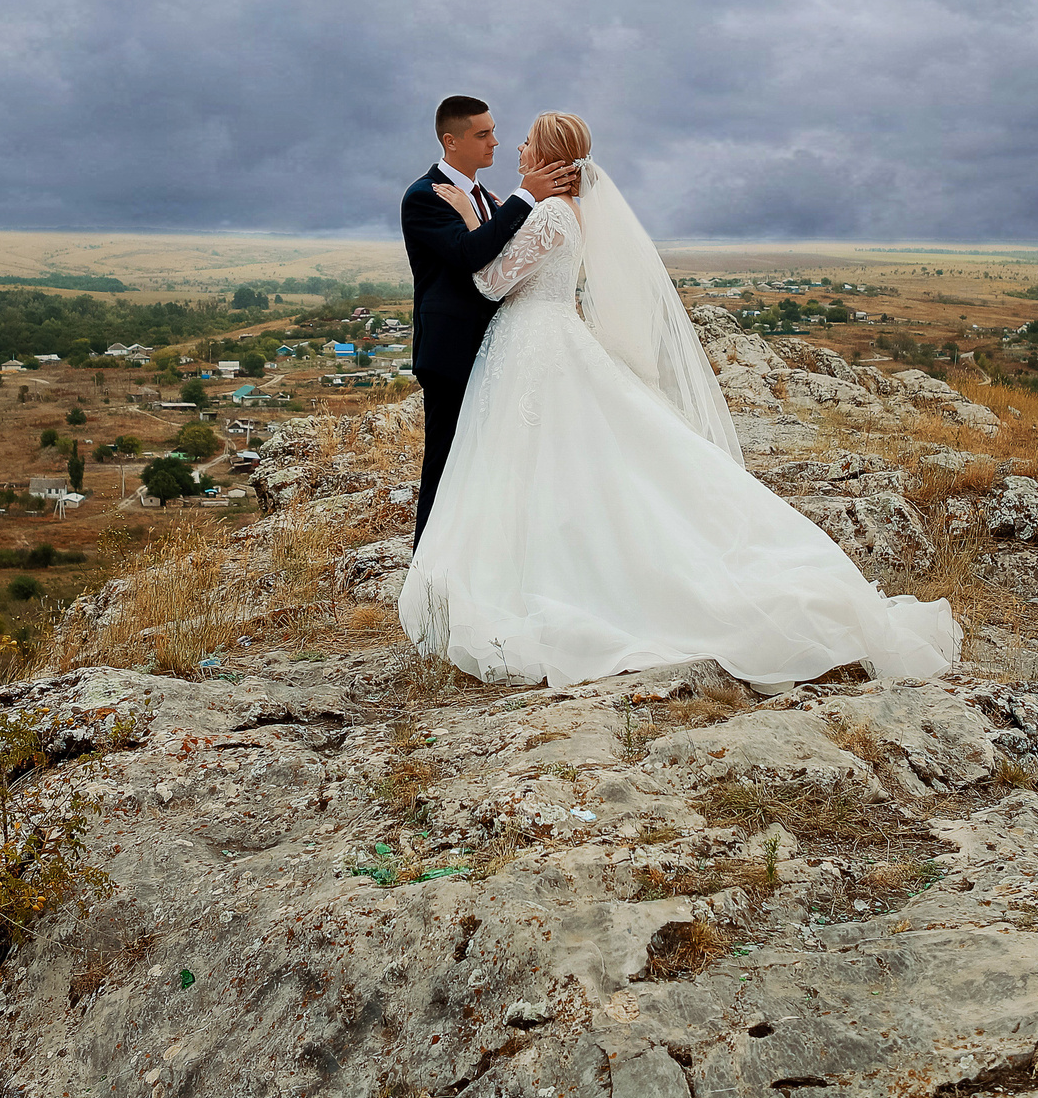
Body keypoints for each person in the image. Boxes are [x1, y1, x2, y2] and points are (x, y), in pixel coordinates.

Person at [397, 111, 961, 688]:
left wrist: (474, 218)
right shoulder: (568, 211)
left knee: (536, 462)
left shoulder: (544, 212)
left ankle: (536, 576)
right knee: (558, 463)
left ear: (546, 159)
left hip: (533, 344)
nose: (512, 145)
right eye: (498, 136)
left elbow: (490, 282)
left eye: (524, 141)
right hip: (542, 342)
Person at [399, 95, 579, 546]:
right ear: (451, 140)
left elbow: (508, 257)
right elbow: (469, 255)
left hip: (502, 350)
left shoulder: (487, 199)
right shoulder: (424, 197)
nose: (495, 142)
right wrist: (523, 199)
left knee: (485, 460)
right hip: (453, 352)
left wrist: (504, 209)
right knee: (445, 460)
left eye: (495, 131)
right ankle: (428, 562)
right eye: (483, 134)